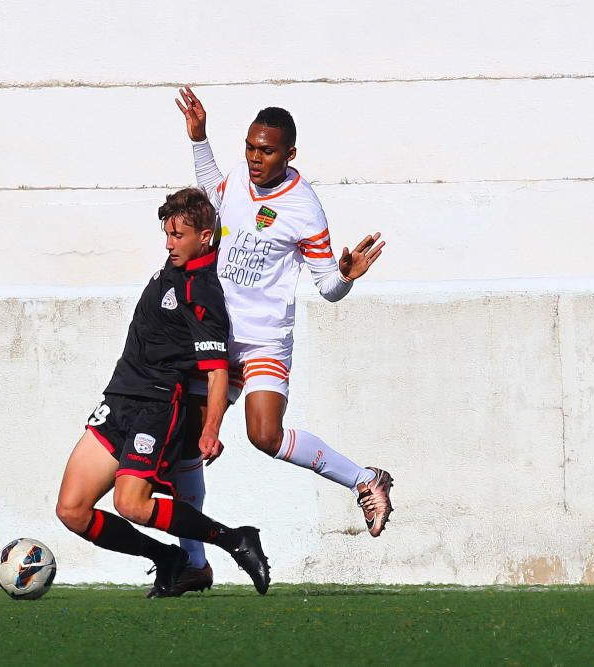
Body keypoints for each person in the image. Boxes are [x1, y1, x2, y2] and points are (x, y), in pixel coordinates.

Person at [158, 87, 394, 597]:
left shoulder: (305, 207)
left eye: (265, 151)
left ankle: (365, 479)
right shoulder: (239, 182)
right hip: (217, 336)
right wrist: (199, 139)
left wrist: (348, 275)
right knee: (186, 445)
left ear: (289, 154)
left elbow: (327, 287)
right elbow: (211, 193)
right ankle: (195, 562)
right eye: (249, 147)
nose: (254, 158)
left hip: (264, 339)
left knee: (264, 435)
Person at [55, 187, 271, 597]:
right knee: (71, 510)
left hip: (155, 407)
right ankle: (168, 558)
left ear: (205, 237)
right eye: (167, 234)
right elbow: (211, 197)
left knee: (131, 504)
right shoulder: (179, 265)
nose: (170, 244)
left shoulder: (203, 293)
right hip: (118, 398)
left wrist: (210, 428)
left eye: (179, 236)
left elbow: (216, 372)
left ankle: (235, 539)